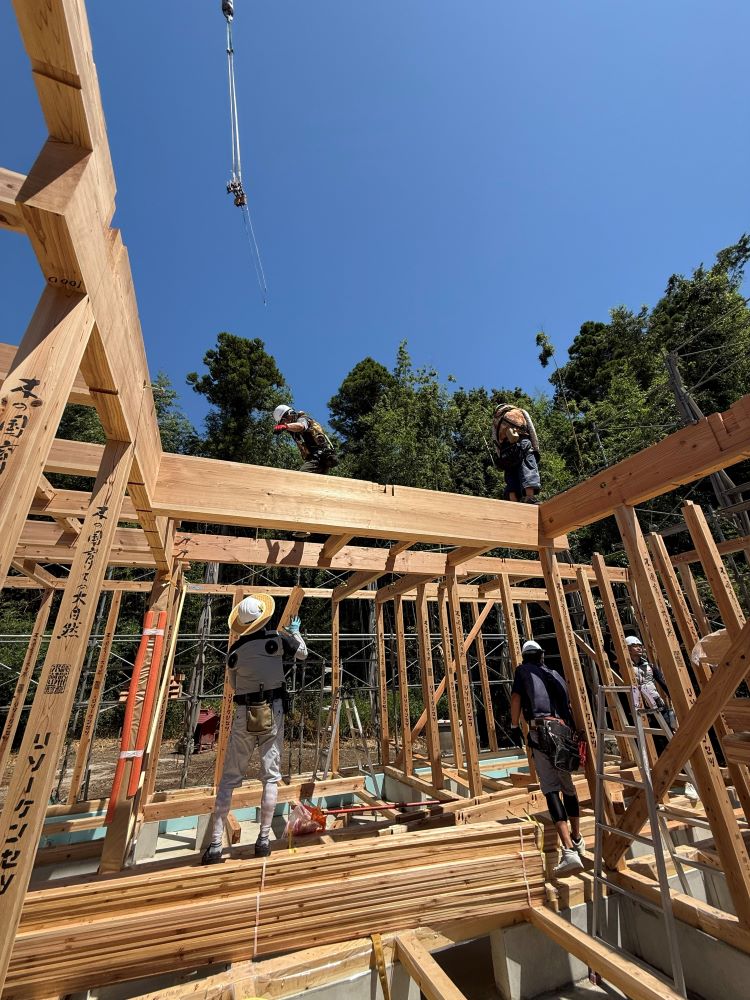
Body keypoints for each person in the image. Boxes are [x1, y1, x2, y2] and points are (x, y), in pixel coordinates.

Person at [202, 595, 307, 864]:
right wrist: (295, 634)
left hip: (244, 713)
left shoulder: (234, 652)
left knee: (229, 778)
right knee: (270, 776)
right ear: (265, 618)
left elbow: (235, 686)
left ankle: (215, 846)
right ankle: (263, 840)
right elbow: (303, 654)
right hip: (273, 711)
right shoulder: (278, 641)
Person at [510, 639, 584, 877]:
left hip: (541, 733)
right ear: (541, 655)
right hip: (563, 733)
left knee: (551, 788)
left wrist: (513, 725)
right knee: (568, 787)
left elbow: (516, 700)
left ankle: (568, 850)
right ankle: (577, 837)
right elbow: (569, 705)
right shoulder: (555, 674)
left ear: (524, 657)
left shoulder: (522, 671)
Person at [625, 635, 675, 745]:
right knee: (652, 738)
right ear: (627, 649)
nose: (639, 648)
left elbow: (663, 683)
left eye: (640, 646)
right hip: (639, 705)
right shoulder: (625, 668)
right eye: (635, 646)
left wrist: (674, 698)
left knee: (667, 730)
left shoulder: (650, 666)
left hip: (656, 702)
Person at [492, 404, 541, 503]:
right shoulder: (519, 411)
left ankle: (513, 501)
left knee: (511, 472)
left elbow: (495, 439)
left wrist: (500, 456)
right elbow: (531, 429)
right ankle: (529, 497)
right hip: (522, 440)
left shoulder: (496, 420)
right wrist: (535, 447)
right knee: (527, 466)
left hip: (505, 449)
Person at [273, 404, 338, 474]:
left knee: (299, 477)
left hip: (319, 457)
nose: (285, 423)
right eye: (282, 423)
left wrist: (285, 426)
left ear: (290, 414)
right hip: (318, 460)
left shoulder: (302, 419)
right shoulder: (294, 432)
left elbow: (301, 426)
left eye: (284, 421)